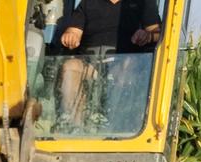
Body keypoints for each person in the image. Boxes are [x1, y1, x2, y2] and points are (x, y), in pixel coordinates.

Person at [58, 0, 162, 128]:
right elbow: (74, 30)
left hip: (123, 62)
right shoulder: (87, 3)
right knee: (70, 66)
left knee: (127, 65)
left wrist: (148, 35)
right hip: (90, 63)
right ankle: (74, 126)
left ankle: (113, 124)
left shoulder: (144, 3)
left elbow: (158, 34)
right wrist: (71, 36)